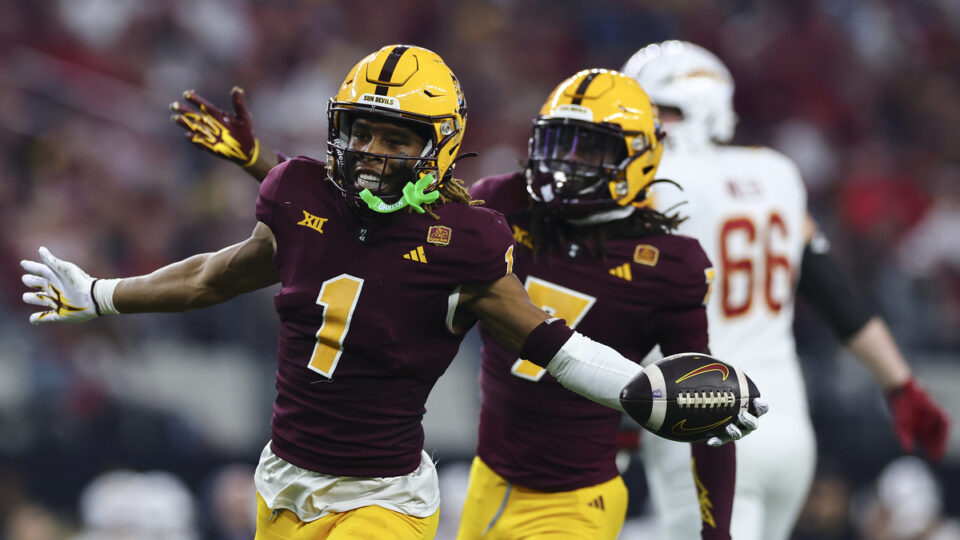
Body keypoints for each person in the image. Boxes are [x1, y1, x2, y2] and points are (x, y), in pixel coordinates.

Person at [21, 45, 763, 540]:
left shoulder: (470, 239)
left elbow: (549, 341)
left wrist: (640, 392)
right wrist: (101, 294)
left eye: (397, 138)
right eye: (362, 132)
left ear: (438, 144)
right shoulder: (299, 192)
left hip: (385, 493)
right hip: (286, 476)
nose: (374, 151)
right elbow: (218, 274)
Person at [621, 40, 951, 540]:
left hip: (702, 422)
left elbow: (626, 307)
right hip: (788, 427)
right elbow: (833, 291)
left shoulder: (655, 180)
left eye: (653, 110)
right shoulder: (774, 171)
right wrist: (900, 383)